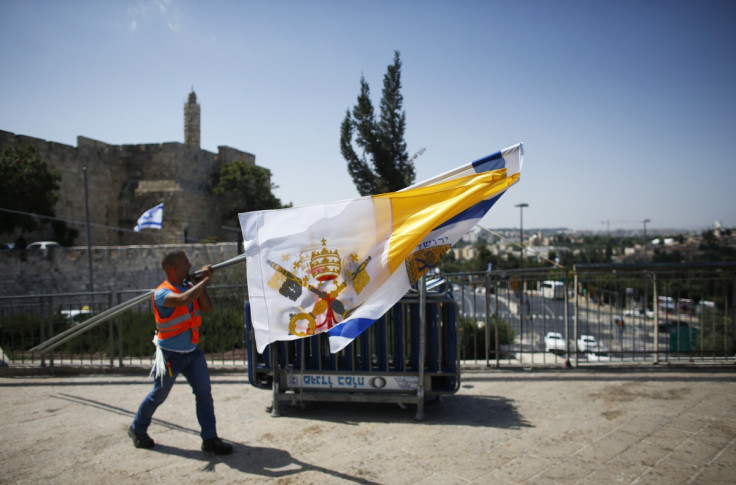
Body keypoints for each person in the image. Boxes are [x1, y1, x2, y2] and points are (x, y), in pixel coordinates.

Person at [128, 249, 233, 455]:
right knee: (159, 394)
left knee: (204, 394)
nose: (190, 265)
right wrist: (204, 282)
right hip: (169, 355)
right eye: (185, 262)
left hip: (192, 353)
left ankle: (210, 439)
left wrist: (199, 284)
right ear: (173, 268)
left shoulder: (189, 286)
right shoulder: (162, 293)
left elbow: (207, 308)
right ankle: (137, 429)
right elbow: (183, 300)